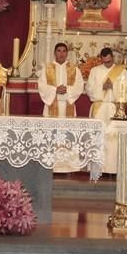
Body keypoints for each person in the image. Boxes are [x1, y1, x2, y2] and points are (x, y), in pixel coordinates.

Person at [38, 43, 85, 172]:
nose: (61, 53)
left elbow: (79, 86)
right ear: (55, 52)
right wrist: (55, 90)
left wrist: (67, 90)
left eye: (64, 51)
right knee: (51, 136)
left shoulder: (74, 69)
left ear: (67, 53)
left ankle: (68, 166)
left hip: (67, 105)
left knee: (67, 136)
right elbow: (41, 86)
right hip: (52, 104)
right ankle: (51, 165)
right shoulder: (47, 68)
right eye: (59, 51)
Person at [86, 47, 127, 174]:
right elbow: (89, 89)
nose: (107, 64)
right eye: (105, 62)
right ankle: (96, 167)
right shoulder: (95, 71)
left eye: (109, 61)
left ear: (113, 58)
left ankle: (113, 168)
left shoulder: (121, 71)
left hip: (114, 108)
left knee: (113, 138)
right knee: (98, 138)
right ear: (101, 59)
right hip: (99, 108)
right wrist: (102, 87)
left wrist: (114, 87)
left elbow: (126, 89)